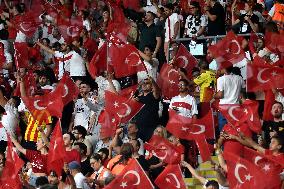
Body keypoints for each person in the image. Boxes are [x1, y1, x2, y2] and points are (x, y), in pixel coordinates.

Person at [214, 66, 245, 131]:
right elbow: (243, 91)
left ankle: (225, 141)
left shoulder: (221, 79)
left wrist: (213, 95)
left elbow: (220, 95)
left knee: (223, 129)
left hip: (224, 107)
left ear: (224, 69)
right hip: (236, 107)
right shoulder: (239, 78)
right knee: (235, 128)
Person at [134, 77, 161, 142]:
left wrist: (153, 81)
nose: (144, 84)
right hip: (138, 129)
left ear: (152, 86)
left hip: (150, 129)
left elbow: (157, 90)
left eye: (147, 83)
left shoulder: (154, 95)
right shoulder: (138, 97)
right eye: (143, 83)